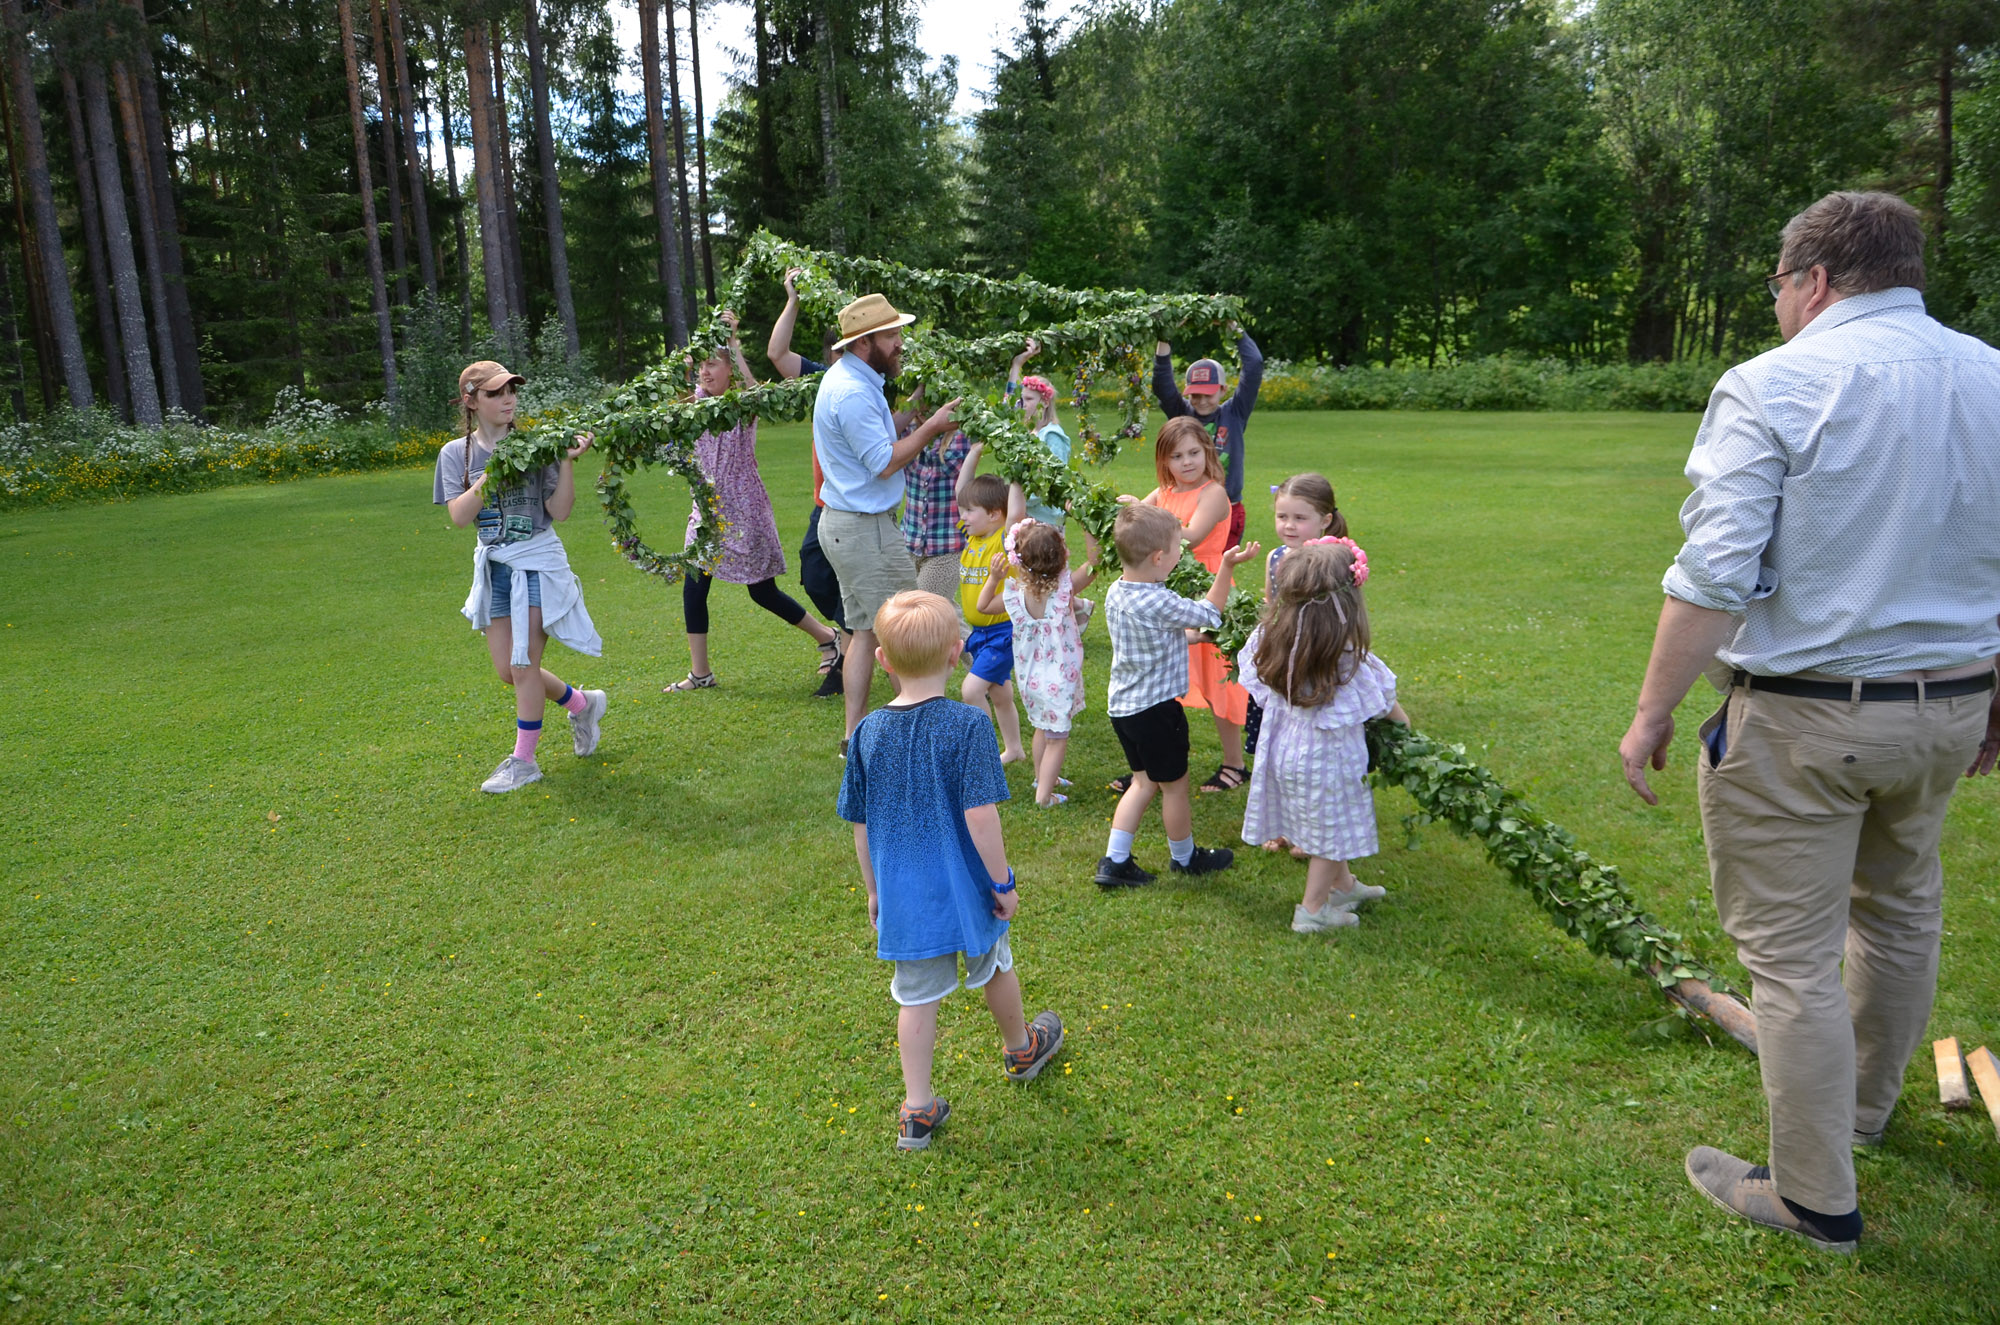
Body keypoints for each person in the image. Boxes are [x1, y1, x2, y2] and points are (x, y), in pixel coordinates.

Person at [1616, 191, 2000, 1254]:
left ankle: (1814, 1195)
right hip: (1950, 707)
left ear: (1813, 280)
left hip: (1803, 718)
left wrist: (1651, 709)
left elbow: (1712, 571)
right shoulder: (1990, 372)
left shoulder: (1772, 383)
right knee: (1897, 909)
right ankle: (1863, 1110)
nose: (1776, 308)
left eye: (1778, 288)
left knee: (1786, 957)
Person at [837, 590, 1066, 1151]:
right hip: (970, 889)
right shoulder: (967, 724)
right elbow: (980, 816)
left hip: (904, 894)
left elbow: (860, 824)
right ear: (957, 652)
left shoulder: (865, 732)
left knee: (914, 997)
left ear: (884, 660)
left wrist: (873, 891)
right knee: (994, 964)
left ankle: (917, 1111)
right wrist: (1003, 883)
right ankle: (1021, 1049)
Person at [432, 360, 606, 794]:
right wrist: (492, 473)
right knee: (508, 672)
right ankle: (583, 704)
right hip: (494, 567)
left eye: (511, 390)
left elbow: (559, 512)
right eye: (495, 393)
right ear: (471, 401)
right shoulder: (457, 454)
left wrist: (565, 462)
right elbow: (459, 515)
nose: (508, 399)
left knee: (522, 663)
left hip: (537, 561)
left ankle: (523, 761)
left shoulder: (538, 446)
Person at [812, 293, 964, 753]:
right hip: (864, 530)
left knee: (864, 631)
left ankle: (854, 737)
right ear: (864, 342)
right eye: (892, 335)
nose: (900, 343)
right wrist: (932, 427)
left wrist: (908, 414)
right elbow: (882, 461)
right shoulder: (854, 391)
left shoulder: (853, 379)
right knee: (913, 632)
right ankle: (913, 738)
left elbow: (874, 438)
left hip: (844, 524)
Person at [665, 311, 842, 693]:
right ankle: (701, 673)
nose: (706, 373)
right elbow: (679, 394)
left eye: (714, 365)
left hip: (745, 511)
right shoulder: (695, 405)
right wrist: (690, 361)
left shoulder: (741, 406)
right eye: (702, 368)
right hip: (707, 513)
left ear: (729, 368)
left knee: (762, 591)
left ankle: (827, 637)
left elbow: (753, 387)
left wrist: (733, 344)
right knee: (694, 585)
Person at [1238, 539, 1408, 932]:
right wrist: (1404, 729)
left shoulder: (1270, 642)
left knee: (1328, 824)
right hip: (1330, 763)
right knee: (1333, 833)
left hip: (1284, 753)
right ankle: (1313, 911)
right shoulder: (1347, 659)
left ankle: (1344, 885)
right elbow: (1387, 707)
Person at [1095, 502, 1260, 888]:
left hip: (1125, 711)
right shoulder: (1160, 600)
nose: (1180, 553)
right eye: (1176, 548)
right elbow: (1210, 612)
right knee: (1175, 788)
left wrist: (1192, 638)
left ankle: (1114, 861)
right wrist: (1227, 567)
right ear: (1158, 557)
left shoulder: (1118, 592)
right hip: (1156, 713)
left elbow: (1152, 639)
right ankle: (1185, 859)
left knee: (1142, 783)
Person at [1129, 417, 1251, 793]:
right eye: (1176, 456)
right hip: (1172, 593)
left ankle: (1235, 763)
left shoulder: (1212, 493)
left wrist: (1142, 514)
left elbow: (1191, 536)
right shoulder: (1165, 490)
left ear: (1207, 452)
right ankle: (1148, 767)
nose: (1186, 462)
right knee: (1160, 680)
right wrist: (1133, 508)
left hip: (1209, 590)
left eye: (1194, 453)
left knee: (1218, 680)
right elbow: (1136, 517)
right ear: (1164, 461)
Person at [767, 268, 850, 700]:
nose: (839, 358)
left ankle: (847, 659)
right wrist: (793, 300)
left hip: (855, 504)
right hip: (825, 503)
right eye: (835, 351)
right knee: (815, 573)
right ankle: (849, 638)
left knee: (845, 579)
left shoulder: (873, 385)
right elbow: (778, 354)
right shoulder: (823, 381)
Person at [1255, 473, 1349, 855]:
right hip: (1283, 669)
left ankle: (1308, 834)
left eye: (1299, 518)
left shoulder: (1337, 560)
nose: (1288, 526)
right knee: (1280, 754)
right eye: (1282, 517)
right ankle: (1283, 826)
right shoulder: (1276, 557)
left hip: (1317, 665)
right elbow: (1269, 609)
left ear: (1325, 519)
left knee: (1311, 761)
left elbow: (1343, 616)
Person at [976, 518, 1097, 807]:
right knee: (1057, 737)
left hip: (1030, 677)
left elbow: (982, 607)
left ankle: (1042, 778)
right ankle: (1044, 796)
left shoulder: (1015, 594)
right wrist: (1088, 525)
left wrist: (994, 577)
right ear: (1062, 556)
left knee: (1043, 727)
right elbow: (1096, 563)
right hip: (1059, 677)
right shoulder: (1065, 591)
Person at [1153, 322, 1263, 548]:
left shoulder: (1234, 413)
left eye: (1209, 394)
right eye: (1195, 395)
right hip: (1185, 505)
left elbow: (1254, 366)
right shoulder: (1181, 414)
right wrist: (1165, 339)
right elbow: (1162, 385)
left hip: (1228, 507)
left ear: (1223, 389)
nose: (1202, 401)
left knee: (1218, 567)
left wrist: (1236, 331)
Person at [952, 472, 1027, 765]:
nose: (963, 516)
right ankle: (1014, 749)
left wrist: (1017, 475)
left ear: (996, 514)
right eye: (963, 510)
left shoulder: (1003, 541)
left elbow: (1016, 515)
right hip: (980, 634)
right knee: (1000, 693)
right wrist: (975, 449)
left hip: (1003, 632)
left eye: (970, 511)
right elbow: (961, 488)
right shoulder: (972, 538)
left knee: (971, 690)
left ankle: (984, 756)